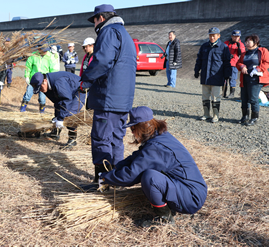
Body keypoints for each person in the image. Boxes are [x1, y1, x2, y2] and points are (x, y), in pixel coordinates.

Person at [98, 106, 207, 226]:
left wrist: (105, 178)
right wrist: (116, 169)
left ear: (141, 127)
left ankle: (165, 219)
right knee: (150, 175)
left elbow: (130, 175)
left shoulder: (156, 148)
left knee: (150, 177)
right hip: (189, 190)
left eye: (133, 128)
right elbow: (137, 157)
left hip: (191, 198)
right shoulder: (160, 136)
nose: (132, 132)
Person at [80, 4, 137, 184]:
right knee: (115, 140)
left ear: (101, 18)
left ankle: (102, 181)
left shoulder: (108, 32)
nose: (94, 25)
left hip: (108, 98)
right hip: (122, 100)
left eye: (94, 20)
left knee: (101, 139)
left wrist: (85, 81)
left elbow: (102, 61)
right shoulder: (125, 35)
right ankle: (115, 180)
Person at [30, 71, 87, 149]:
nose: (40, 90)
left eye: (40, 88)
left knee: (71, 114)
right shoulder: (46, 86)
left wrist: (61, 118)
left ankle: (72, 140)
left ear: (45, 81)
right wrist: (57, 117)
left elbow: (67, 99)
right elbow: (57, 101)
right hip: (67, 93)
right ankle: (55, 133)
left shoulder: (58, 82)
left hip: (79, 90)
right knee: (58, 107)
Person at [194, 27, 231, 123]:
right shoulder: (204, 46)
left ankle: (215, 115)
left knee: (216, 97)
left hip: (217, 77)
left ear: (219, 36)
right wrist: (196, 70)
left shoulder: (223, 47)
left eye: (214, 35)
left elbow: (227, 62)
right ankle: (206, 114)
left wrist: (227, 74)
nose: (212, 37)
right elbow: (199, 60)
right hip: (205, 76)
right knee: (205, 96)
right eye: (210, 35)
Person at [236, 34, 269, 126]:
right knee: (244, 98)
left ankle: (254, 118)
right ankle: (244, 117)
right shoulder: (244, 54)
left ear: (255, 42)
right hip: (245, 79)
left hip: (256, 79)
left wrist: (258, 68)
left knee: (253, 98)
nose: (246, 43)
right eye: (246, 41)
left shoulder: (262, 51)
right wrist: (242, 66)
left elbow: (267, 62)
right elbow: (238, 63)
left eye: (249, 41)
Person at [20, 44, 58, 113]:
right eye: (44, 50)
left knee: (42, 98)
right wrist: (27, 76)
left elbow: (53, 70)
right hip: (33, 80)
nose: (45, 52)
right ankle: (22, 109)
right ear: (39, 49)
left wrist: (51, 80)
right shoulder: (33, 56)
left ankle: (41, 112)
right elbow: (28, 67)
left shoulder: (50, 57)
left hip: (44, 81)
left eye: (46, 50)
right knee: (28, 94)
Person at [224, 30, 245, 98]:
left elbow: (243, 54)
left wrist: (239, 48)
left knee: (232, 78)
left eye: (238, 37)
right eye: (235, 36)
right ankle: (223, 92)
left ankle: (232, 93)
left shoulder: (241, 44)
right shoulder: (226, 43)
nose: (236, 38)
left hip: (234, 64)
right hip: (225, 63)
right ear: (232, 36)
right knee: (224, 78)